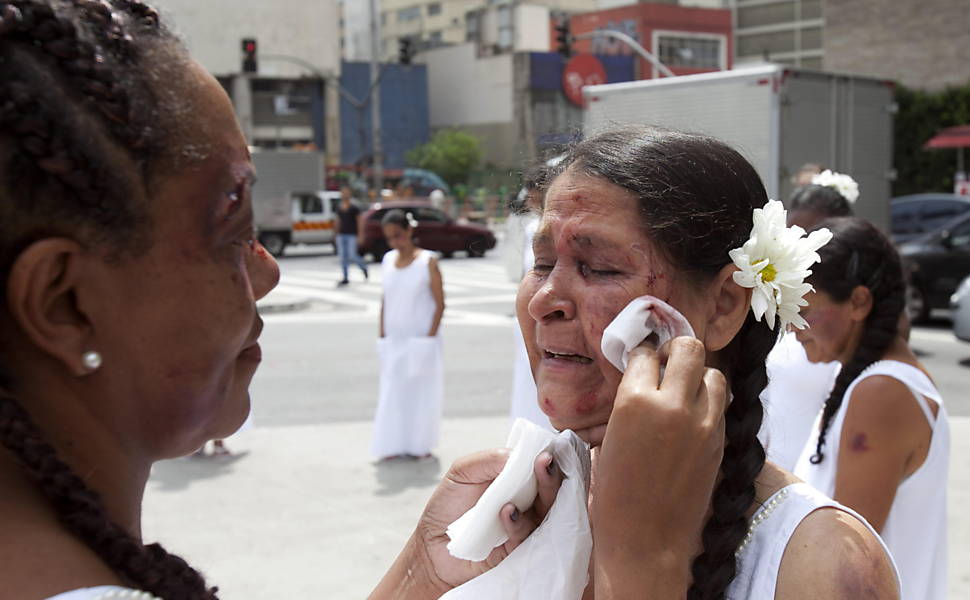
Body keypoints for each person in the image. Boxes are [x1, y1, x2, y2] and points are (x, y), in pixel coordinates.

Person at [516, 128, 899, 598]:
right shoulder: (520, 500)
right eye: (540, 263)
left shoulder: (819, 563)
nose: (544, 301)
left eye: (599, 268)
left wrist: (642, 562)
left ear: (722, 306)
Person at [793, 217, 950, 600]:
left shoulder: (882, 391)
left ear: (859, 302)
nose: (794, 328)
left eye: (806, 310)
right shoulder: (869, 379)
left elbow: (846, 559)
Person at [758, 179, 856, 469]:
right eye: (794, 234)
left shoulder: (845, 320)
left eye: (814, 236)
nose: (801, 249)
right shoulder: (772, 294)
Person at [371, 210, 446, 460]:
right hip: (394, 339)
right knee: (393, 390)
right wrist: (381, 334)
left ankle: (419, 446)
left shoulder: (428, 262)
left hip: (421, 339)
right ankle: (391, 445)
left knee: (421, 392)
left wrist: (428, 338)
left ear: (410, 231)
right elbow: (386, 299)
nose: (395, 242)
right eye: (390, 237)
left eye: (398, 235)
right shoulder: (387, 260)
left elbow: (439, 304)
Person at [335, 185, 368, 287]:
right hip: (341, 235)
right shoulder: (340, 207)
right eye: (343, 192)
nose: (344, 194)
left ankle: (363, 267)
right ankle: (345, 277)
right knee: (343, 257)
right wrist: (336, 233)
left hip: (351, 235)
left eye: (346, 192)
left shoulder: (355, 207)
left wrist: (361, 235)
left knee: (352, 255)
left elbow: (360, 222)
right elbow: (338, 221)